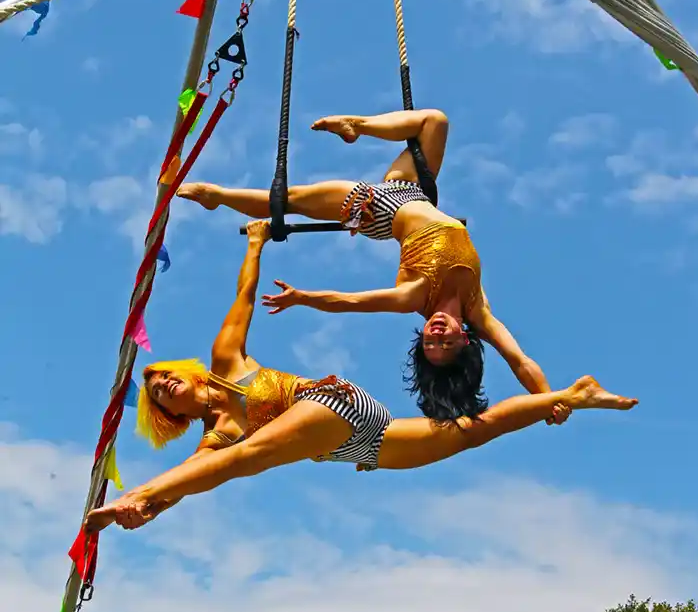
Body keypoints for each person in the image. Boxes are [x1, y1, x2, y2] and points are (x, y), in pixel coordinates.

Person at [85, 222, 637, 534]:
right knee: (470, 432)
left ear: (185, 373)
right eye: (159, 397)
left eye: (164, 378)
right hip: (363, 443)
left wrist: (255, 242)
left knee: (246, 460)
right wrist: (151, 510)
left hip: (332, 405)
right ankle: (573, 394)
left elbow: (244, 296)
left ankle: (138, 492)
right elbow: (196, 474)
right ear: (172, 417)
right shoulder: (214, 437)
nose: (163, 386)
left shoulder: (227, 363)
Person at [176, 108, 559, 421]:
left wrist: (303, 297)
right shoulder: (479, 311)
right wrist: (549, 399)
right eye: (445, 342)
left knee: (291, 200)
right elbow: (519, 360)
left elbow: (352, 302)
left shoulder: (414, 297)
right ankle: (356, 125)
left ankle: (217, 196)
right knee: (435, 121)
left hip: (377, 210)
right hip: (414, 190)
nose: (436, 334)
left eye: (429, 343)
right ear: (465, 341)